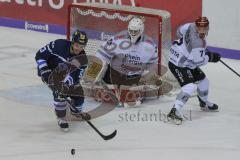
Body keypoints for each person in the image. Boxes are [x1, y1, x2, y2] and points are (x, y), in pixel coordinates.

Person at [167, 17, 221, 123]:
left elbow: (179, 31)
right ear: (196, 27)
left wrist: (197, 50)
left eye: (204, 28)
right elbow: (198, 62)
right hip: (179, 64)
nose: (202, 30)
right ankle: (174, 111)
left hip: (184, 59)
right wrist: (210, 57)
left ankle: (204, 103)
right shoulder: (198, 43)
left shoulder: (190, 25)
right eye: (200, 28)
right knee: (190, 87)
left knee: (204, 81)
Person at [35, 29, 90, 131]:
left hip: (65, 75)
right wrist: (44, 70)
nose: (79, 48)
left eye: (82, 46)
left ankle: (74, 111)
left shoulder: (83, 59)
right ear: (72, 42)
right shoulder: (58, 45)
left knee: (79, 98)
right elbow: (39, 55)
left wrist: (69, 83)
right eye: (77, 45)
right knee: (59, 93)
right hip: (49, 71)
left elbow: (77, 78)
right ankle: (61, 117)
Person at [95, 16, 161, 87]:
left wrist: (150, 75)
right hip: (113, 76)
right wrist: (93, 74)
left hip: (132, 79)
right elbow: (101, 55)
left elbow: (152, 65)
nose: (133, 33)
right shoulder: (118, 39)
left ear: (141, 30)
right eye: (131, 30)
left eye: (135, 31)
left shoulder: (150, 45)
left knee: (150, 78)